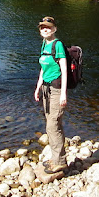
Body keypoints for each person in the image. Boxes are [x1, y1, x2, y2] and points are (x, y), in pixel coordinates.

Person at [34, 16, 68, 174]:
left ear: (54, 29)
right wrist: (38, 87)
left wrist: (63, 94)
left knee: (52, 125)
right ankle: (56, 158)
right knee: (52, 123)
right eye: (43, 27)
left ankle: (60, 161)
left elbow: (64, 70)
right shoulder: (44, 44)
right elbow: (43, 68)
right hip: (46, 89)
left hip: (56, 89)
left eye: (48, 27)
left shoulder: (57, 44)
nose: (45, 29)